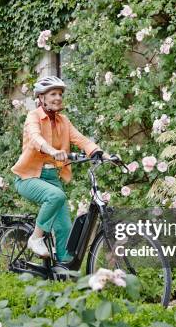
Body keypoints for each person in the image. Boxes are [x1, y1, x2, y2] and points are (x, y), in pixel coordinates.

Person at [11, 76, 107, 263]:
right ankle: (36, 238)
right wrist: (52, 151)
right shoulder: (33, 117)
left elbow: (80, 139)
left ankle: (64, 271)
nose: (58, 98)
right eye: (53, 94)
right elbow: (35, 138)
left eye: (60, 94)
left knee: (64, 227)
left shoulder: (64, 121)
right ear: (41, 98)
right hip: (28, 177)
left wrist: (99, 152)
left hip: (52, 178)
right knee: (56, 196)